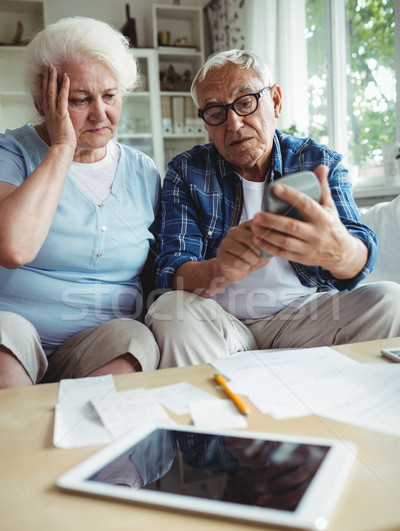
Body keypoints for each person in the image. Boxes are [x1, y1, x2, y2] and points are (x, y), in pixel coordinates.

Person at [145, 49, 400, 367]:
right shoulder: (186, 171)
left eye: (245, 102)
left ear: (275, 101)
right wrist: (219, 270)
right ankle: (215, 414)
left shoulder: (317, 161)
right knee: (169, 310)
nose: (234, 124)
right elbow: (171, 269)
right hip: (220, 320)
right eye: (215, 112)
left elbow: (359, 255)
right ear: (206, 123)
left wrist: (340, 252)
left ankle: (341, 409)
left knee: (390, 300)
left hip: (304, 314)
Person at [0, 17, 160, 388]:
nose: (100, 114)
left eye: (110, 96)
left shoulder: (143, 172)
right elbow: (13, 248)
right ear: (43, 103)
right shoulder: (12, 152)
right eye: (80, 100)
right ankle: (26, 444)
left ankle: (89, 445)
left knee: (136, 342)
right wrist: (62, 148)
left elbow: (161, 266)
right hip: (16, 333)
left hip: (100, 346)